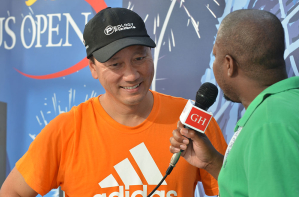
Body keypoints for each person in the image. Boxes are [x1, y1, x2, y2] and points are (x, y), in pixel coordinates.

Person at [0, 7, 227, 197]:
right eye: (115, 64)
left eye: (139, 58)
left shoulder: (192, 122)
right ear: (93, 68)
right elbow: (13, 192)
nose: (131, 75)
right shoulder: (67, 130)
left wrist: (213, 164)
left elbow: (237, 189)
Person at [169, 9, 299, 197]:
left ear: (229, 64)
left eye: (215, 56)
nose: (214, 65)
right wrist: (212, 161)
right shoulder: (283, 106)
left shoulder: (269, 123)